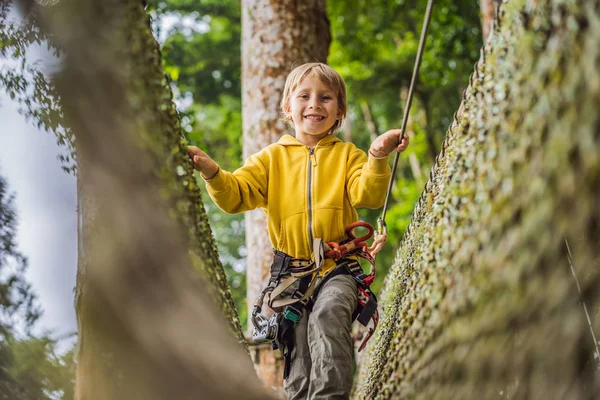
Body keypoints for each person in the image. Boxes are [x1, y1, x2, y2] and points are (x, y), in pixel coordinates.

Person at [187, 62, 409, 399]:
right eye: (304, 96)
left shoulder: (348, 156)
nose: (314, 104)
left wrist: (377, 155)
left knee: (329, 314)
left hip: (338, 270)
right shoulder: (270, 159)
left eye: (326, 98)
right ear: (287, 108)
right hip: (291, 277)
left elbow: (369, 194)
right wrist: (213, 172)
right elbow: (236, 195)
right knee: (298, 347)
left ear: (340, 111)